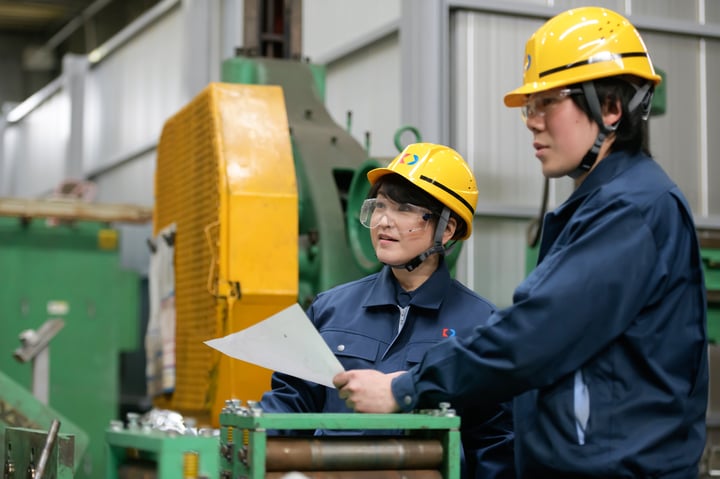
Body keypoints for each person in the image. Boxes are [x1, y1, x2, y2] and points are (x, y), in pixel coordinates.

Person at [334, 6, 708, 479]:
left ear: (611, 107)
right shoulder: (604, 208)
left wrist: (406, 389)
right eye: (530, 107)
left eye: (548, 102)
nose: (532, 121)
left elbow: (533, 337)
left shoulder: (630, 210)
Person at [258, 142, 515, 478]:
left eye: (404, 209)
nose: (383, 222)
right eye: (379, 207)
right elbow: (288, 404)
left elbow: (494, 444)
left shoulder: (480, 324)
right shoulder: (330, 309)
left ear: (447, 229)